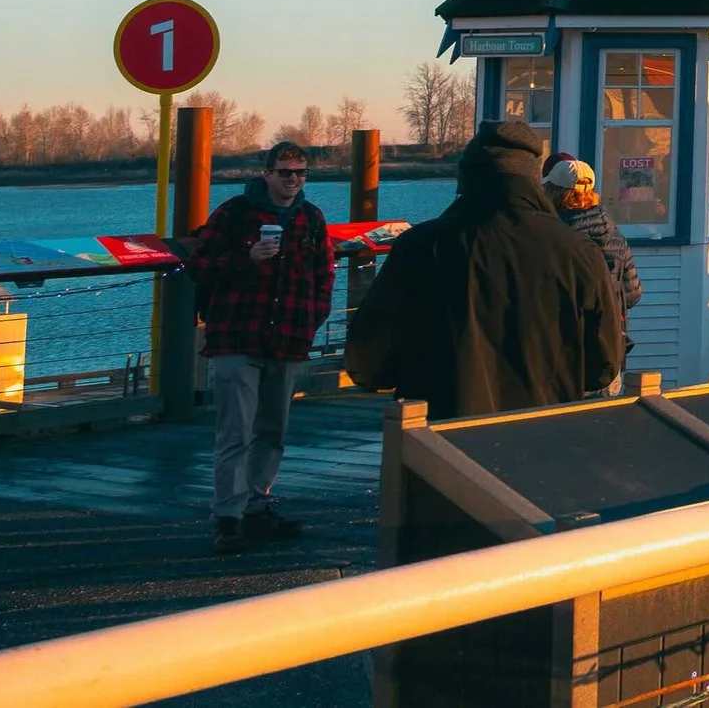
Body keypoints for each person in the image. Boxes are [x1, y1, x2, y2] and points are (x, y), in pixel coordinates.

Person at [346, 122, 622, 420]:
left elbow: (367, 360)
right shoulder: (580, 253)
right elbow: (602, 367)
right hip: (543, 436)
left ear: (466, 177)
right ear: (532, 178)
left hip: (438, 443)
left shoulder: (418, 247)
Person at [186, 141, 333, 555]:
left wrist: (312, 319)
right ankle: (228, 516)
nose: (293, 180)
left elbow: (324, 274)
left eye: (301, 173)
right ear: (266, 173)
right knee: (235, 429)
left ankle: (257, 502)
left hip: (288, 338)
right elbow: (198, 267)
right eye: (285, 172)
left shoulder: (311, 218)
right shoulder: (234, 213)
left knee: (272, 428)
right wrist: (246, 257)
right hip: (237, 334)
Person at [542, 157, 642, 323]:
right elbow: (632, 296)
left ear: (555, 192)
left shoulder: (552, 235)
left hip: (566, 336)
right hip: (608, 338)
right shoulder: (615, 236)